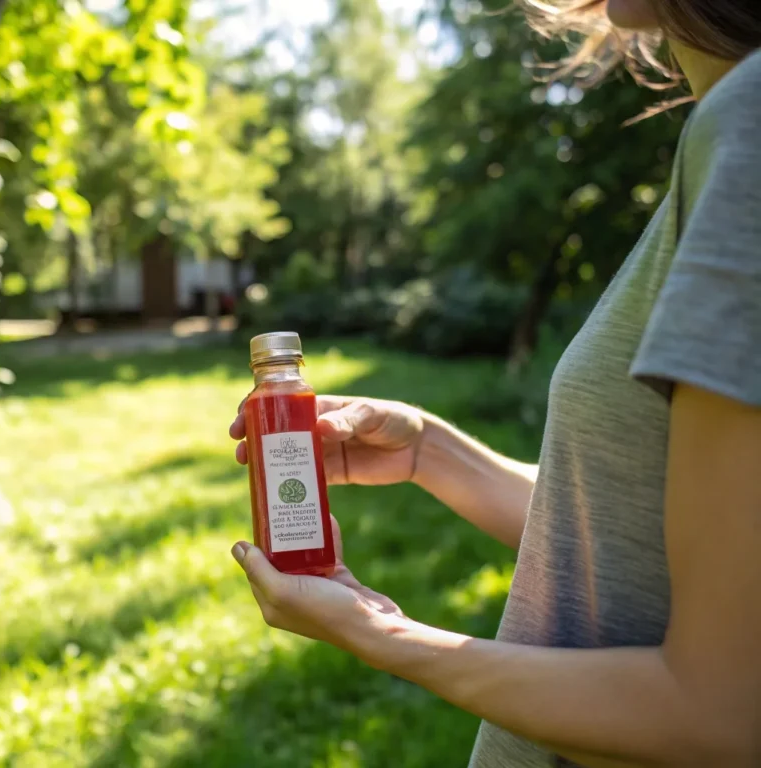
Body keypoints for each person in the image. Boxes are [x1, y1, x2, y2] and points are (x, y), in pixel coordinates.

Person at [227, 1, 761, 766]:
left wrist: (384, 634)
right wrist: (433, 453)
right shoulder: (724, 126)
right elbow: (644, 544)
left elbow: (721, 716)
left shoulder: (748, 122)